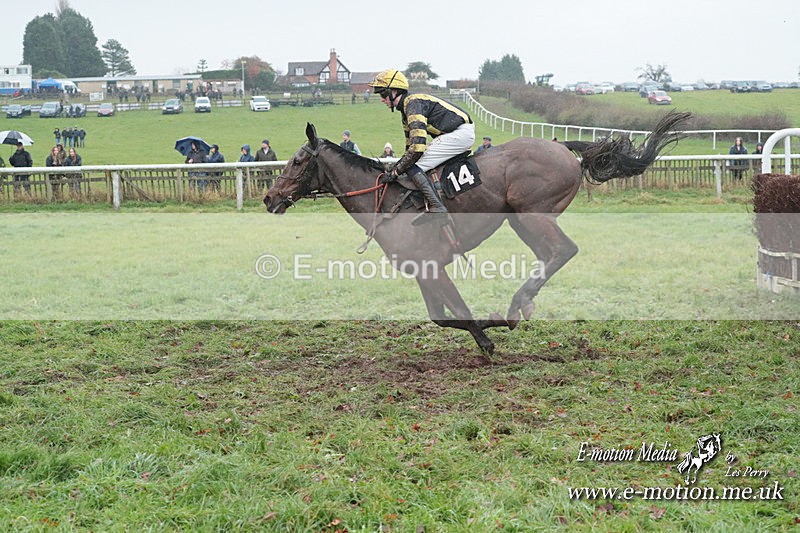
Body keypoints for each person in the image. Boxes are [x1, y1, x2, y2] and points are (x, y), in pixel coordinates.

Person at [369, 68, 475, 225]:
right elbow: (409, 148)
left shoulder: (412, 104)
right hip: (456, 134)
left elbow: (418, 148)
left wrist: (396, 172)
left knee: (413, 166)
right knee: (408, 164)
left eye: (383, 94)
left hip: (459, 134)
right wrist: (395, 169)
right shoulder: (406, 110)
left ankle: (437, 206)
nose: (382, 99)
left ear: (394, 91)